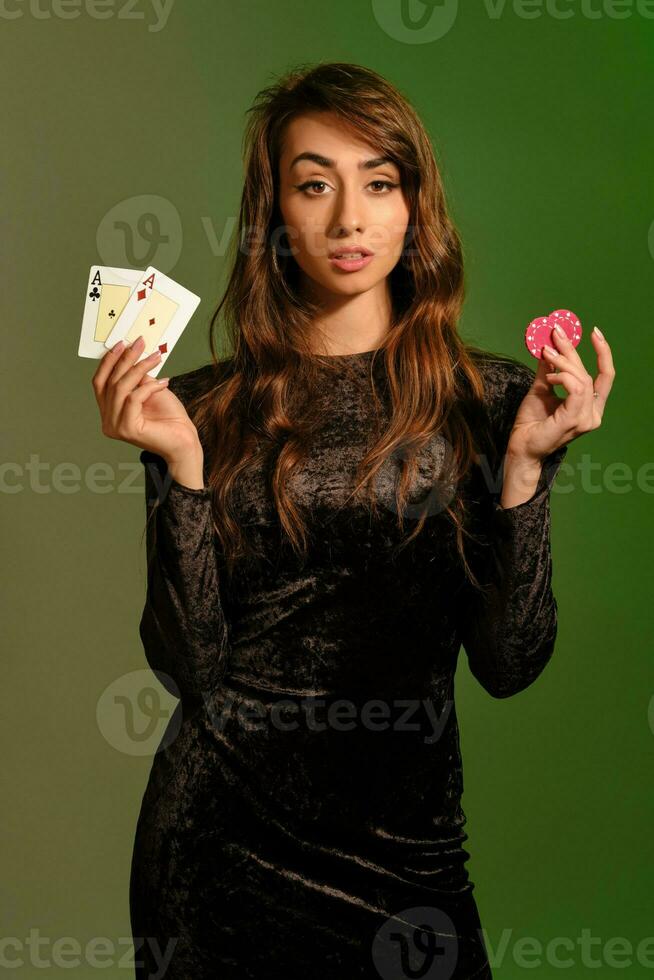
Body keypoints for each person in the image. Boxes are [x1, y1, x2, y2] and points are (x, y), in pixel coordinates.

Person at [92, 62, 615, 980]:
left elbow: (509, 664)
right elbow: (188, 665)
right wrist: (182, 471)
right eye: (314, 184)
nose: (349, 220)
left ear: (415, 206)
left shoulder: (494, 402)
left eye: (379, 183)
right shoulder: (200, 411)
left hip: (410, 858)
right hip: (220, 858)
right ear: (273, 213)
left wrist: (526, 469)